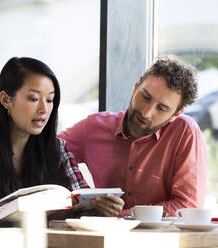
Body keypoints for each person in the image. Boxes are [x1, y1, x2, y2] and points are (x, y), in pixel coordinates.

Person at [0, 57, 124, 232]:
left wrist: (101, 208)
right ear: (6, 100)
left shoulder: (58, 149)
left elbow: (81, 202)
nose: (44, 110)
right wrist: (29, 207)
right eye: (33, 99)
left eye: (49, 100)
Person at [59, 55, 207, 216]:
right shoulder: (94, 127)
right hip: (101, 236)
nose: (146, 112)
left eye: (162, 108)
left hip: (161, 239)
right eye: (145, 97)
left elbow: (188, 206)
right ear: (136, 86)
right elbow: (45, 150)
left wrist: (121, 215)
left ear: (176, 114)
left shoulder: (185, 132)